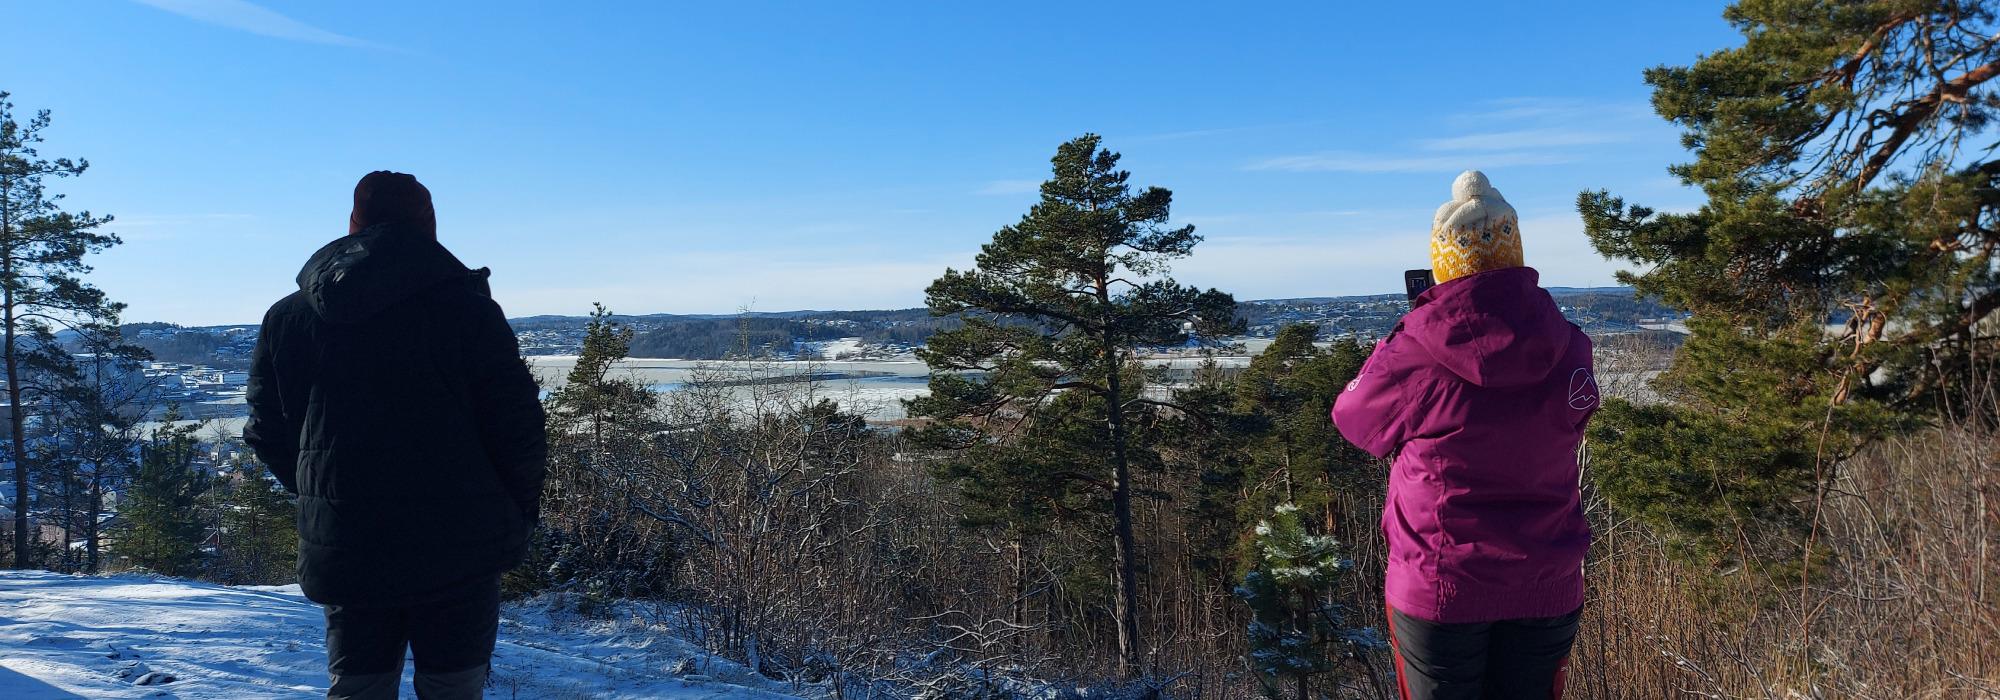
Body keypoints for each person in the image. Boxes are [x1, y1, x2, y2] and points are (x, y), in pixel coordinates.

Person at [244, 171, 548, 700]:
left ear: (353, 224)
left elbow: (267, 429)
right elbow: (518, 429)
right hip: (462, 543)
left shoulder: (289, 317)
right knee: (453, 689)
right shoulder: (469, 311)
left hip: (348, 539)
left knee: (358, 689)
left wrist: (322, 495)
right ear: (428, 226)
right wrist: (516, 514)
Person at [1331, 170, 1597, 699]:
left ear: (1443, 265)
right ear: (1516, 255)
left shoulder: (1415, 349)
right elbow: (1576, 418)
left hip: (1441, 583)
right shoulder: (1569, 344)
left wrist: (1397, 341)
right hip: (1546, 579)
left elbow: (1354, 420)